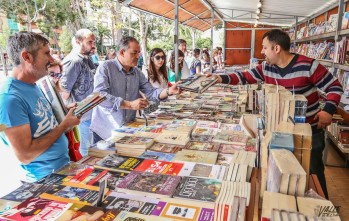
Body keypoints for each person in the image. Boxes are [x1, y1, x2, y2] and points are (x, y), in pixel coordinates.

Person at [214, 29, 343, 199]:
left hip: (309, 131)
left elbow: (334, 87)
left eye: (264, 47)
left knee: (314, 173)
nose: (261, 52)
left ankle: (323, 209)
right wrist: (220, 78)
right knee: (285, 175)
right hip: (279, 131)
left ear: (276, 49)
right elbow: (245, 76)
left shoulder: (308, 65)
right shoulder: (266, 67)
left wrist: (328, 111)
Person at [0, 31, 80, 183]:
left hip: (62, 170)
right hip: (44, 180)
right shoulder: (9, 98)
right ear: (27, 57)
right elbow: (25, 155)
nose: (51, 59)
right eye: (46, 54)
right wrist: (64, 126)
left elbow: (42, 123)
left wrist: (65, 112)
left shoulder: (33, 85)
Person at [90, 36, 180, 142]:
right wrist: (130, 104)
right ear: (122, 52)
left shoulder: (137, 72)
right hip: (105, 130)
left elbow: (151, 92)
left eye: (139, 53)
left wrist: (168, 91)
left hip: (127, 128)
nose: (138, 56)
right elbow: (99, 96)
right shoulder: (106, 67)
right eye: (134, 53)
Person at [59, 29, 97, 157]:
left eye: (94, 42)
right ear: (78, 42)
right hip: (80, 118)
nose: (93, 45)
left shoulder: (87, 59)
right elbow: (64, 93)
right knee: (85, 155)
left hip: (90, 115)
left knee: (91, 153)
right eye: (89, 42)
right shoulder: (73, 61)